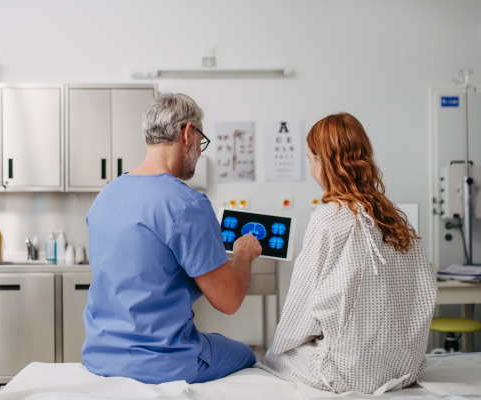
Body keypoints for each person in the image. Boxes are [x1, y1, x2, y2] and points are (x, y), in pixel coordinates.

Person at [82, 93, 262, 384]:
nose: (199, 153)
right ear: (188, 133)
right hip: (162, 362)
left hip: (101, 355)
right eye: (201, 142)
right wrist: (243, 254)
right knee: (245, 354)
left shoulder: (107, 195)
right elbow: (229, 301)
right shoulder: (188, 204)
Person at [256, 113, 437, 394]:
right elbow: (422, 296)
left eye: (310, 159)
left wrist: (281, 346)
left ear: (323, 162)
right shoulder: (397, 219)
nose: (311, 168)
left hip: (349, 374)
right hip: (404, 367)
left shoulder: (327, 219)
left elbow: (302, 307)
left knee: (275, 357)